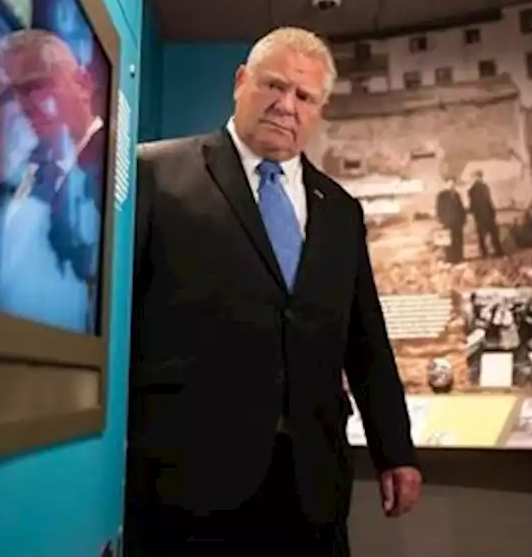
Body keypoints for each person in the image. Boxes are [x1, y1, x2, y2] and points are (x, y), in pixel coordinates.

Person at [126, 27, 421, 555]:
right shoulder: (156, 174)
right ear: (241, 82)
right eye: (273, 85)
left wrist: (394, 450)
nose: (286, 105)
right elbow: (118, 316)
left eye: (304, 96)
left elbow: (365, 340)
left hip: (310, 483)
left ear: (319, 108)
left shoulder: (340, 210)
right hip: (187, 479)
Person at [0, 28, 105, 333]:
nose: (21, 106)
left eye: (35, 86)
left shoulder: (134, 174)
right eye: (6, 96)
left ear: (83, 84)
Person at [467, 171, 503, 257]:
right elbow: (487, 202)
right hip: (486, 215)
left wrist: (473, 213)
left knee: (483, 235)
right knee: (492, 233)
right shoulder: (483, 187)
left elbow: (474, 204)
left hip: (482, 215)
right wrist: (492, 212)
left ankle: (485, 252)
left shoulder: (473, 190)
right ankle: (497, 251)